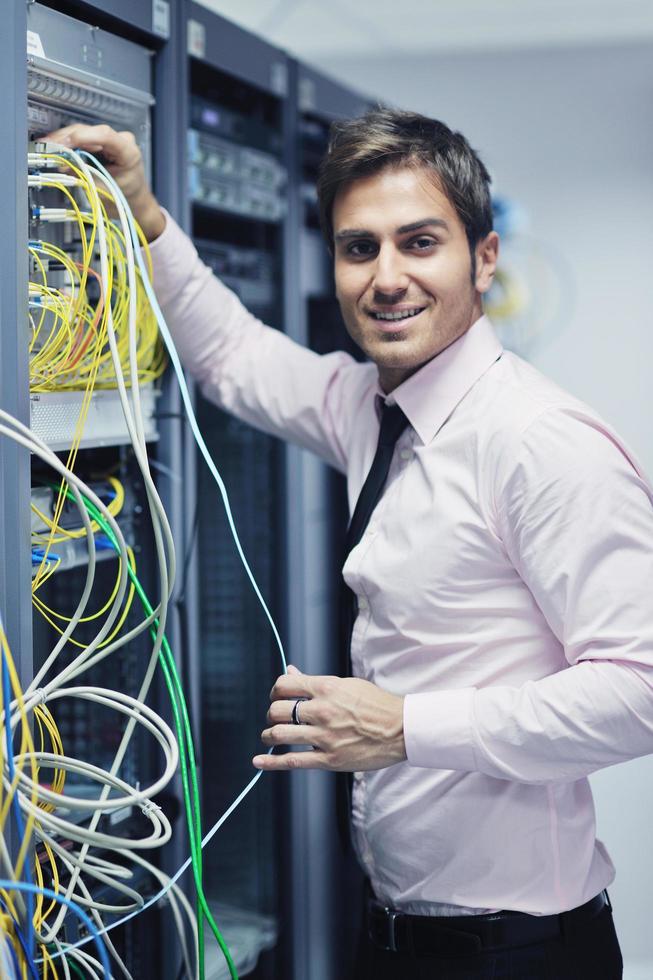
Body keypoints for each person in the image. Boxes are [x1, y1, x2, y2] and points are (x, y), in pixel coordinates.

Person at [44, 109, 652, 979]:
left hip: (517, 951)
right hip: (398, 936)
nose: (386, 277)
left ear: (482, 258)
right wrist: (144, 214)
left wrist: (406, 726)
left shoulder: (537, 442)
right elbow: (229, 355)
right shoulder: (368, 408)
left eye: (419, 243)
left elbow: (641, 688)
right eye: (359, 248)